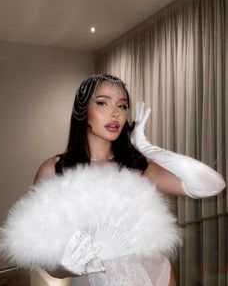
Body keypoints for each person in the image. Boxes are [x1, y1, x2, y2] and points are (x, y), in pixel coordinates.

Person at [32, 73, 226, 286]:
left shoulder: (137, 167)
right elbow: (44, 254)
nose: (115, 113)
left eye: (122, 106)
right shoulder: (55, 170)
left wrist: (149, 149)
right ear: (82, 110)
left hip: (157, 277)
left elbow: (212, 185)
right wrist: (63, 266)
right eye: (102, 103)